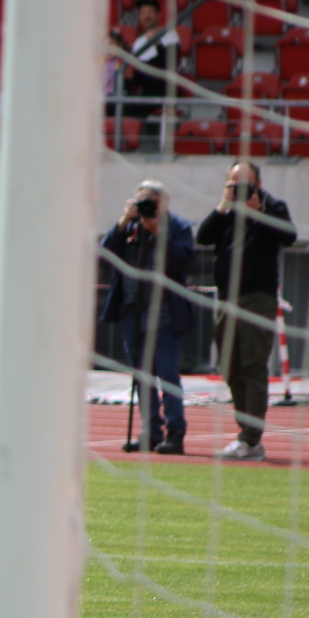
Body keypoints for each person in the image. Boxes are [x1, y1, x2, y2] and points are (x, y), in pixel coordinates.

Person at [196, 159, 296, 462]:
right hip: (228, 299)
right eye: (233, 183)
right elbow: (203, 236)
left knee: (253, 365)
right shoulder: (227, 212)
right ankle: (247, 435)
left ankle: (251, 439)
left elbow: (289, 236)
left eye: (244, 183)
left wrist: (257, 210)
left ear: (258, 184)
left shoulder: (273, 206)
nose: (239, 189)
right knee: (230, 366)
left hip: (257, 298)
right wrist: (222, 205)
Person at [101, 178, 193, 455]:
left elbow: (182, 260)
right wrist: (122, 223)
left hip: (165, 313)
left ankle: (175, 431)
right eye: (141, 201)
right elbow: (106, 253)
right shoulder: (131, 226)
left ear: (163, 203)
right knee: (142, 376)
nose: (146, 207)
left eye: (151, 202)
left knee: (167, 374)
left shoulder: (177, 227)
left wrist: (157, 232)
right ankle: (151, 431)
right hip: (134, 311)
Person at [122, 0, 178, 138]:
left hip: (162, 90)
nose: (147, 16)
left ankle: (133, 141)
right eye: (143, 12)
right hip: (143, 91)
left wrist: (157, 43)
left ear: (158, 15)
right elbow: (138, 73)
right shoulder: (138, 42)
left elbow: (167, 67)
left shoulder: (170, 37)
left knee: (127, 106)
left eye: (150, 12)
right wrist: (131, 75)